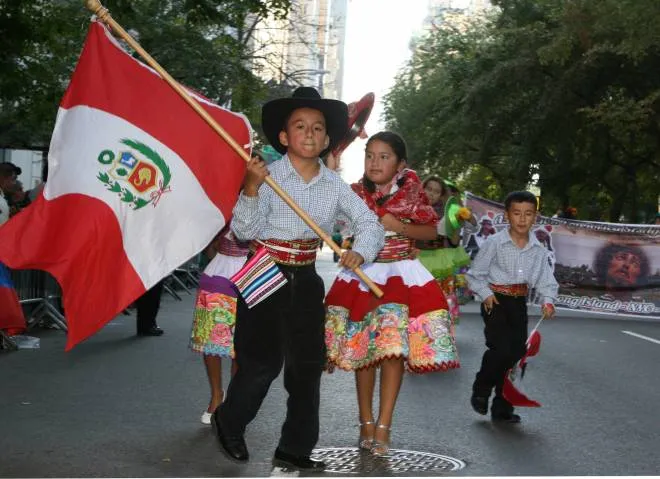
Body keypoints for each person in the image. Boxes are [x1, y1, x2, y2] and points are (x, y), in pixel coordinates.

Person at [213, 86, 384, 471]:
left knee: (307, 368)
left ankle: (295, 449)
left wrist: (362, 250)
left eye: (318, 128)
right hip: (264, 271)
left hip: (306, 278)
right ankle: (229, 420)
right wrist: (252, 188)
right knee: (262, 363)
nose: (309, 134)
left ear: (326, 139)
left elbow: (368, 223)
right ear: (284, 137)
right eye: (300, 126)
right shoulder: (266, 176)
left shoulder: (335, 186)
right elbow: (244, 232)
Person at [325, 131, 459, 456]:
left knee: (392, 352)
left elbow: (430, 231)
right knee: (364, 354)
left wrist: (396, 225)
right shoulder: (354, 192)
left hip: (401, 276)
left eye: (384, 156)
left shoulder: (412, 194)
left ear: (400, 164)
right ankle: (365, 422)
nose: (375, 162)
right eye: (370, 155)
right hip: (362, 277)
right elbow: (334, 224)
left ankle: (384, 425)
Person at [466, 191, 558, 423]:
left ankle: (503, 406)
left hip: (518, 303)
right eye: (517, 213)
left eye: (528, 214)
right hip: (494, 300)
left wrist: (548, 301)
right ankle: (481, 389)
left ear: (535, 217)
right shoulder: (494, 243)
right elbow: (475, 275)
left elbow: (545, 279)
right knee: (501, 349)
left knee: (517, 355)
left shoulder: (538, 249)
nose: (522, 219)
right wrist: (486, 294)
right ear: (507, 215)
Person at [190, 223, 247, 425]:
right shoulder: (225, 204)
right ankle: (216, 395)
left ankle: (234, 399)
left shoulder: (268, 199)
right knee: (210, 339)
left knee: (242, 344)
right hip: (219, 273)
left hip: (253, 273)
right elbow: (208, 243)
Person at [417, 176, 472, 324]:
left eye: (436, 191)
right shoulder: (411, 208)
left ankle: (443, 333)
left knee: (442, 298)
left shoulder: (449, 213)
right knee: (418, 298)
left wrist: (457, 223)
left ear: (441, 195)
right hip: (416, 259)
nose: (431, 193)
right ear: (422, 188)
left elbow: (454, 242)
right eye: (429, 189)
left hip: (440, 260)